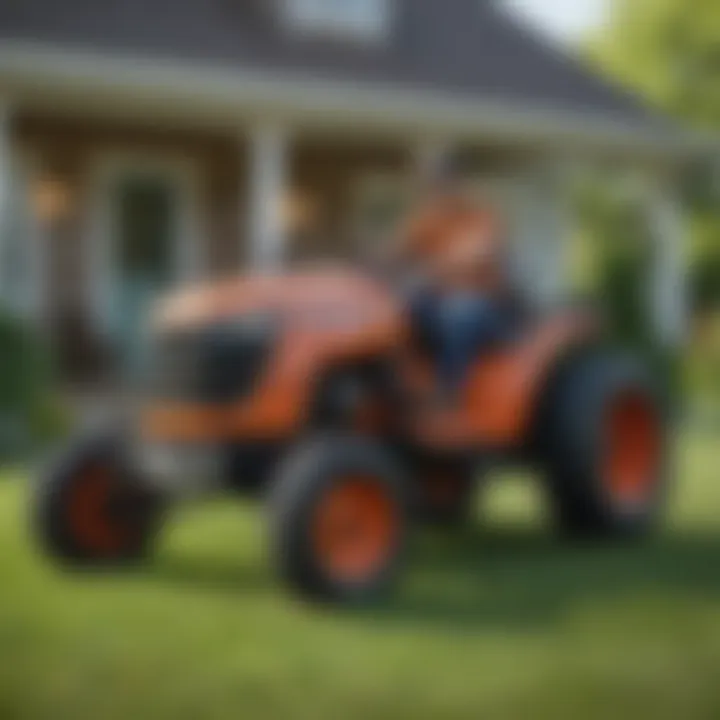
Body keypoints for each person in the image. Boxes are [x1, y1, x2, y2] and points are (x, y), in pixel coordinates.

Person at [392, 171, 513, 401]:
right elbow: (400, 250)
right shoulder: (432, 218)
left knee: (458, 316)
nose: (438, 193)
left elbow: (476, 254)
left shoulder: (480, 218)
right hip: (440, 295)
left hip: (482, 301)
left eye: (444, 186)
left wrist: (437, 266)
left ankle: (450, 390)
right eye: (433, 187)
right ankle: (398, 386)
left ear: (458, 186)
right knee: (395, 313)